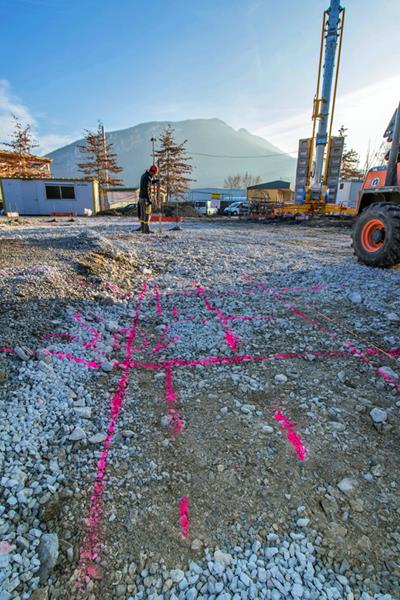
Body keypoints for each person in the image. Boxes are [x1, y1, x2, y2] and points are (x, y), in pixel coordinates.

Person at [138, 164, 159, 233]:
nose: (154, 175)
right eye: (154, 174)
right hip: (145, 199)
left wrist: (155, 181)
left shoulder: (144, 176)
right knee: (147, 214)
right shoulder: (147, 177)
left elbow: (148, 183)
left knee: (142, 214)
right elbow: (146, 189)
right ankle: (146, 230)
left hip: (141, 198)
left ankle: (142, 228)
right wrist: (148, 199)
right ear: (152, 172)